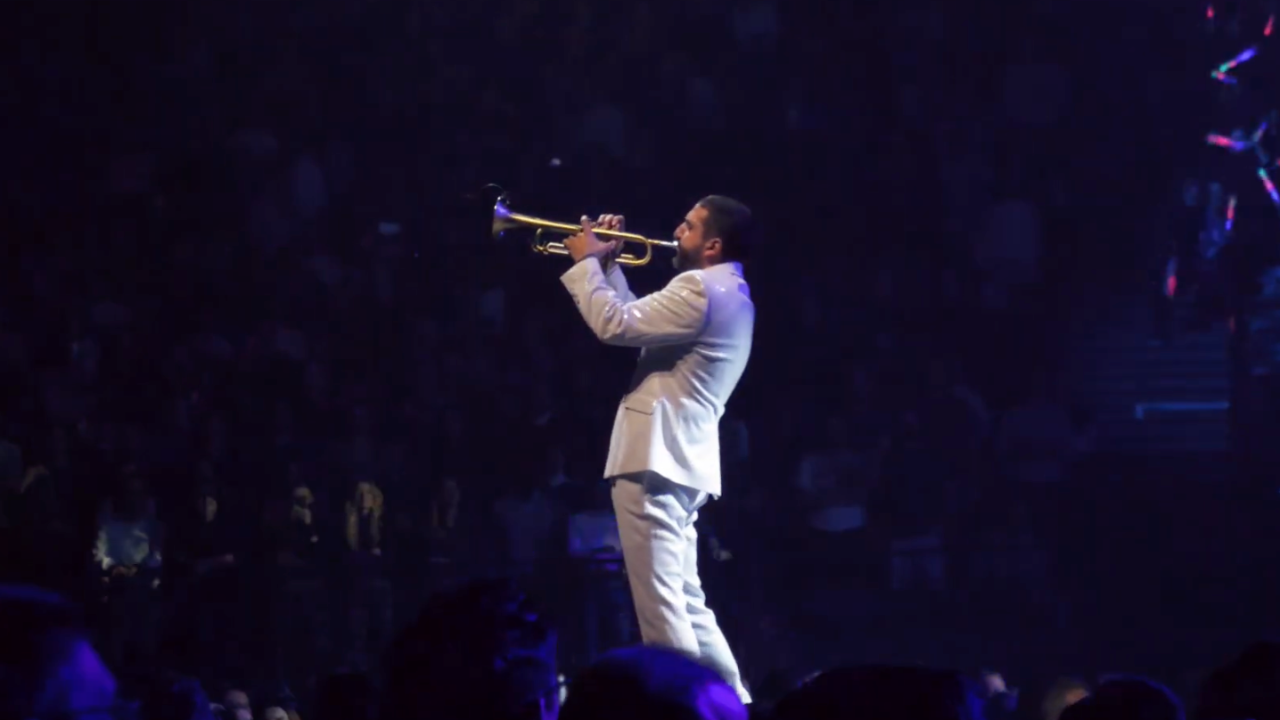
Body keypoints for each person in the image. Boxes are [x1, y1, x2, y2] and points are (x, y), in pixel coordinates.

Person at [560, 196, 756, 702]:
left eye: (688, 226)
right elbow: (636, 321)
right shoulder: (729, 292)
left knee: (662, 604)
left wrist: (586, 264)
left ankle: (678, 710)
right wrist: (607, 264)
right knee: (688, 602)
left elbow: (615, 325)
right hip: (678, 459)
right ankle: (731, 707)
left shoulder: (699, 288)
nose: (675, 230)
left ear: (712, 244)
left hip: (655, 457)